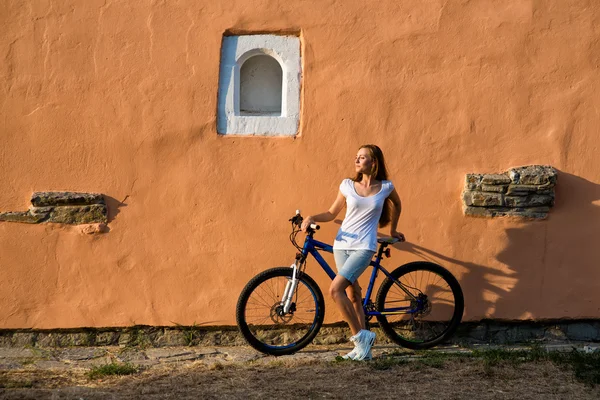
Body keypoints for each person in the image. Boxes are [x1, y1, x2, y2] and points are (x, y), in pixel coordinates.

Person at [301, 144, 404, 361]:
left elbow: (397, 204)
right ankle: (363, 351)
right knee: (353, 294)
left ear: (373, 162)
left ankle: (360, 336)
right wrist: (311, 217)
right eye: (356, 157)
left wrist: (392, 231)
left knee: (334, 290)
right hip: (341, 245)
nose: (357, 160)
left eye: (363, 157)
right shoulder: (348, 185)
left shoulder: (385, 187)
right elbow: (331, 213)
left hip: (364, 247)